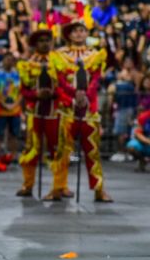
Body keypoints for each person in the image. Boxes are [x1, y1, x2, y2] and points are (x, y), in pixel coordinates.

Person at [55, 21, 113, 202]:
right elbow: (61, 80)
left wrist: (86, 94)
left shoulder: (95, 55)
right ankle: (59, 187)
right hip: (67, 109)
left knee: (92, 150)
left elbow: (96, 79)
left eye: (82, 30)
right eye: (76, 31)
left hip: (89, 109)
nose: (79, 34)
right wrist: (74, 94)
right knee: (64, 150)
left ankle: (98, 189)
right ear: (69, 35)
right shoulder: (60, 55)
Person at [15, 29, 68, 199]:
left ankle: (59, 187)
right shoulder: (28, 63)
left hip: (55, 113)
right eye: (42, 40)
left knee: (58, 149)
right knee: (31, 149)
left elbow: (66, 86)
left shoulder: (59, 61)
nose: (45, 43)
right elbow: (24, 90)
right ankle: (27, 184)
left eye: (48, 40)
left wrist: (54, 93)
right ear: (35, 44)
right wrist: (36, 95)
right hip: (35, 113)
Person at [0, 52, 21, 163]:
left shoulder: (17, 74)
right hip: (0, 110)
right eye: (6, 59)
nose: (9, 61)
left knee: (15, 134)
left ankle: (13, 156)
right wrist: (4, 104)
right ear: (3, 61)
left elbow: (21, 91)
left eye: (11, 59)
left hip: (15, 109)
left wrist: (15, 104)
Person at [127, 99, 150, 171]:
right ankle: (142, 161)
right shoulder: (144, 117)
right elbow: (138, 133)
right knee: (131, 146)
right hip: (146, 143)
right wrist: (148, 141)